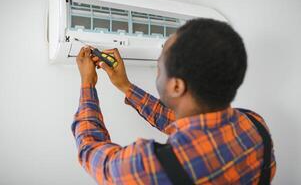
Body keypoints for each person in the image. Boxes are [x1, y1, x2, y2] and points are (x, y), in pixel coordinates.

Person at [72, 18, 276, 184]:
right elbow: (181, 121)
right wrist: (126, 86)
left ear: (177, 86)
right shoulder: (255, 125)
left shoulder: (149, 167)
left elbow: (90, 148)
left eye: (159, 66)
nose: (158, 70)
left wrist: (87, 84)